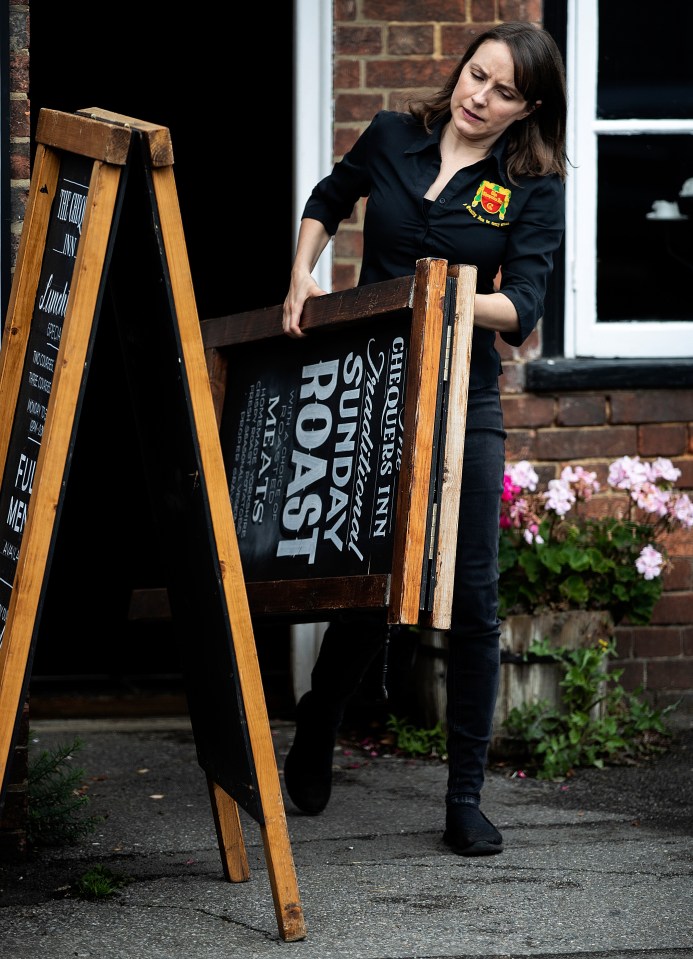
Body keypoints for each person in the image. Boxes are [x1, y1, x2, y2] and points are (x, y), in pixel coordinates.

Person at [281, 21, 567, 856]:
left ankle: (464, 800)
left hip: (465, 398)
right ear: (460, 70)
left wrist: (439, 297)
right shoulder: (392, 136)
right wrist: (303, 269)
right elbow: (329, 199)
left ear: (529, 107)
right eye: (476, 76)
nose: (480, 98)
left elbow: (521, 309)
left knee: (474, 598)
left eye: (504, 91)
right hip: (373, 390)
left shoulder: (529, 184)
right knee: (369, 584)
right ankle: (317, 720)